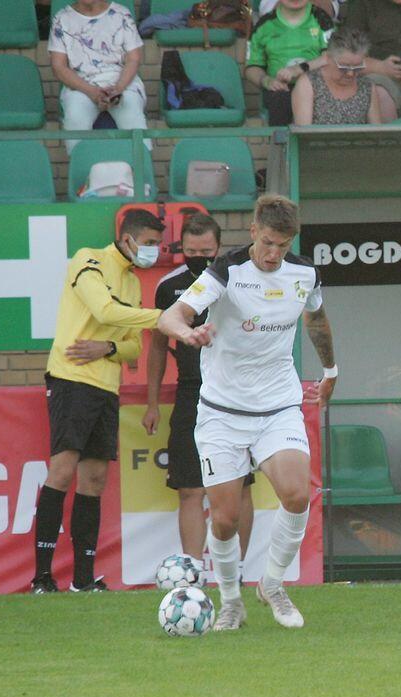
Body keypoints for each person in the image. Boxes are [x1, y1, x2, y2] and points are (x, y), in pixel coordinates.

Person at [157, 195, 338, 630]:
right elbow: (171, 317)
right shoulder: (226, 271)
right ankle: (231, 600)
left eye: (283, 245)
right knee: (224, 518)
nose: (274, 253)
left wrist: (331, 370)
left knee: (297, 494)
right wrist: (188, 333)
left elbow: (316, 320)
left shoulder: (305, 273)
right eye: (268, 242)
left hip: (278, 405)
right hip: (222, 412)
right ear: (254, 231)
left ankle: (272, 584)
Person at [30, 209, 168, 594]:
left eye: (158, 244)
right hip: (72, 378)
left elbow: (132, 348)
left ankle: (83, 580)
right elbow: (103, 309)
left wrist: (107, 347)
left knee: (94, 479)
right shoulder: (88, 259)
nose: (154, 251)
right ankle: (42, 577)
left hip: (107, 387)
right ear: (127, 239)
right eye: (150, 243)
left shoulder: (133, 284)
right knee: (62, 471)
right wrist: (163, 317)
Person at [143, 214, 256, 562]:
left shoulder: (240, 280)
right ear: (182, 248)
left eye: (206, 252)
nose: (199, 258)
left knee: (240, 487)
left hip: (235, 394)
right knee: (190, 489)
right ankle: (191, 570)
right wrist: (152, 403)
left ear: (218, 247)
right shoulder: (169, 286)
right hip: (191, 393)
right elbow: (157, 347)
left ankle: (237, 569)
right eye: (191, 252)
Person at [49, 0, 146, 152]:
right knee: (75, 115)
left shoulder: (121, 14)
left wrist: (118, 88)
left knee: (131, 111)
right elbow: (59, 67)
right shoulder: (62, 18)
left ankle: (142, 164)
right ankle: (80, 165)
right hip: (81, 85)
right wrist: (91, 91)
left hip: (122, 82)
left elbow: (134, 59)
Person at [245, 0, 337, 126]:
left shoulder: (322, 19)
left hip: (316, 85)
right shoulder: (263, 25)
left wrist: (297, 69)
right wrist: (267, 81)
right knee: (279, 99)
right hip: (280, 89)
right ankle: (281, 139)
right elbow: (252, 67)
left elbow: (331, 58)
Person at [292, 28, 387, 125]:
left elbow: (376, 130)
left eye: (357, 67)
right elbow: (304, 131)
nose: (350, 73)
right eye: (343, 67)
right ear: (328, 58)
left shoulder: (366, 86)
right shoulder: (308, 84)